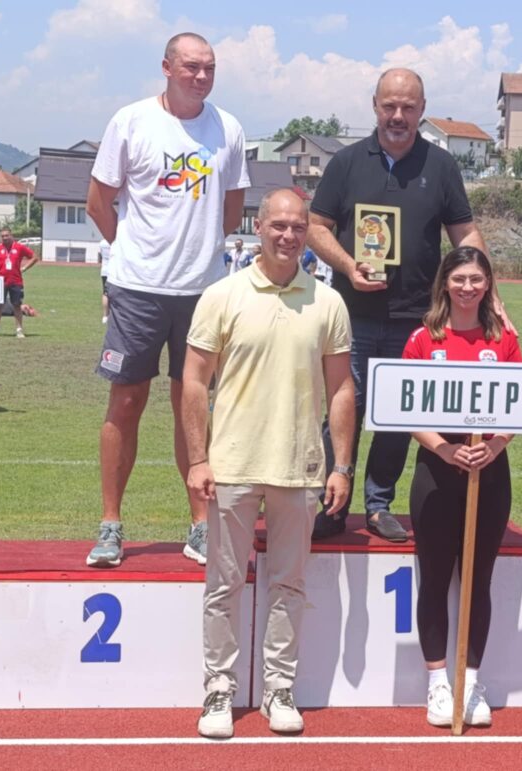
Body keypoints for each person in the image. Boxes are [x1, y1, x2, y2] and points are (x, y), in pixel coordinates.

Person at [183, 188, 354, 739]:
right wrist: (197, 458)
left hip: (300, 467)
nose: (287, 235)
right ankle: (218, 690)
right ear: (259, 227)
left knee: (289, 585)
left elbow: (341, 389)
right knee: (223, 586)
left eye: (297, 227)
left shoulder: (328, 302)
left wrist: (342, 465)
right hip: (231, 466)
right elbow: (193, 381)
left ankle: (280, 687)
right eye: (278, 225)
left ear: (309, 232)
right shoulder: (222, 295)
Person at [307, 67, 505, 543]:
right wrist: (349, 264)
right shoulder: (347, 162)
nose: (398, 115)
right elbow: (317, 227)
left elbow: (465, 234)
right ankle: (333, 504)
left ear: (421, 109)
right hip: (349, 315)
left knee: (398, 415)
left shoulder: (440, 166)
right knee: (342, 407)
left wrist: (492, 295)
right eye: (389, 106)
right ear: (375, 105)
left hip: (418, 317)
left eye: (408, 107)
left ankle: (379, 504)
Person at [84, 32, 250, 568]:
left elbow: (231, 213)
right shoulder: (130, 121)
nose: (201, 77)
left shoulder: (228, 128)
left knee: (193, 409)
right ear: (167, 68)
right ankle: (110, 525)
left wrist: (199, 258)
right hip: (137, 289)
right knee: (126, 403)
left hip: (202, 293)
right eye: (191, 67)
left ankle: (201, 526)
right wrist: (133, 254)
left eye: (210, 68)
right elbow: (98, 202)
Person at [402, 246, 519, 729]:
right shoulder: (424, 338)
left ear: (488, 284)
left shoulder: (504, 339)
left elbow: (519, 404)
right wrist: (445, 450)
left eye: (476, 279)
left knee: (477, 578)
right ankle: (437, 684)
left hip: (489, 470)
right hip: (437, 470)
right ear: (445, 283)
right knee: (433, 578)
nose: (468, 287)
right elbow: (406, 408)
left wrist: (493, 446)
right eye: (459, 279)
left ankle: (470, 683)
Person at [0, 228, 38, 339]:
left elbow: (34, 257)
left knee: (17, 305)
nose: (5, 238)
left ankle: (19, 330)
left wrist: (24, 268)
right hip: (1, 281)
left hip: (16, 281)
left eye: (7, 235)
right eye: (3, 236)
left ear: (11, 235)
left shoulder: (19, 247)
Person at [98, 238, 111, 324]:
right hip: (114, 271)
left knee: (105, 293)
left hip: (104, 270)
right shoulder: (115, 241)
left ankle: (105, 315)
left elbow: (100, 256)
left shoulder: (102, 243)